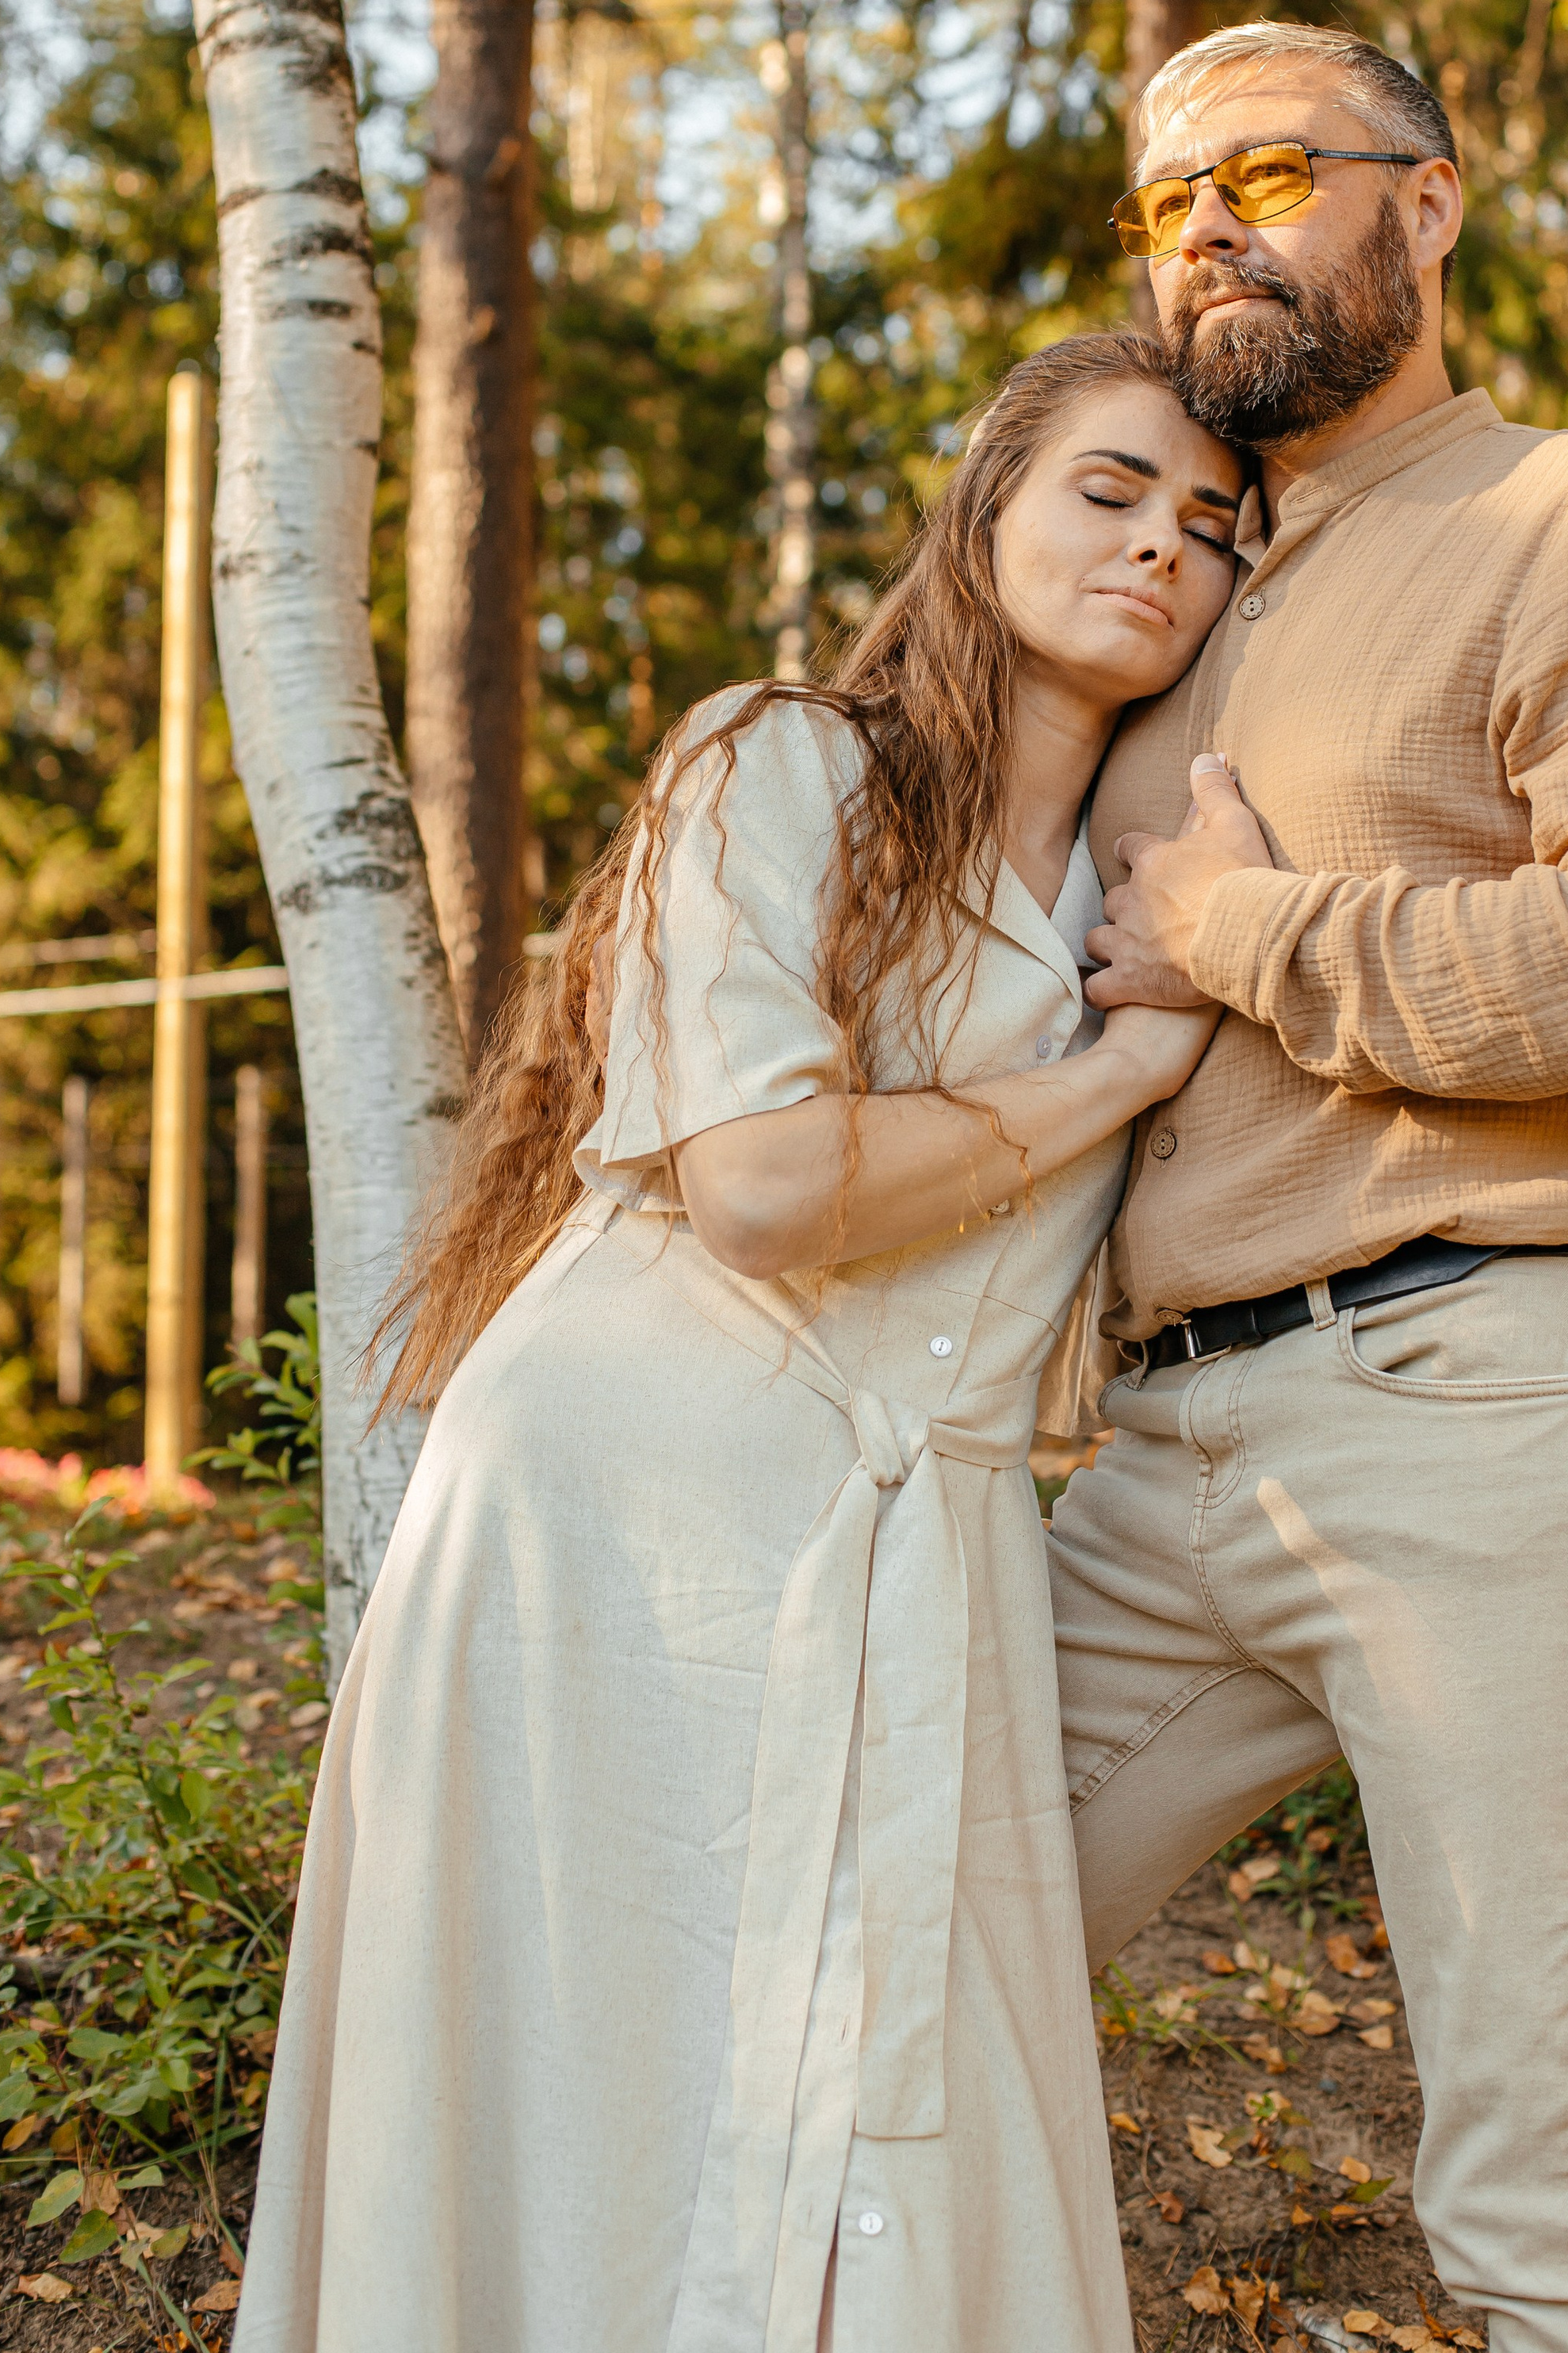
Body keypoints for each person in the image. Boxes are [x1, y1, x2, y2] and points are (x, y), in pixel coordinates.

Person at [233, 334, 1248, 2353]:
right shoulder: (783, 763)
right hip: (626, 1501)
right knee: (586, 2080)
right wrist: (1121, 1074)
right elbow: (766, 1186)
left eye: (1210, 530)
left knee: (884, 2095)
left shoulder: (1156, 890)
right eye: (1108, 491)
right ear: (984, 515)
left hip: (918, 1538)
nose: (1158, 548)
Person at [1047, 19, 1568, 2353]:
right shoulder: (1168, 590)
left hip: (1481, 1393)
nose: (1209, 230)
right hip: (1155, 1453)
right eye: (1167, 199)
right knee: (886, 1949)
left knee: (1544, 2199)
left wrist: (1245, 930)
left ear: (1432, 204)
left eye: (1268, 168)